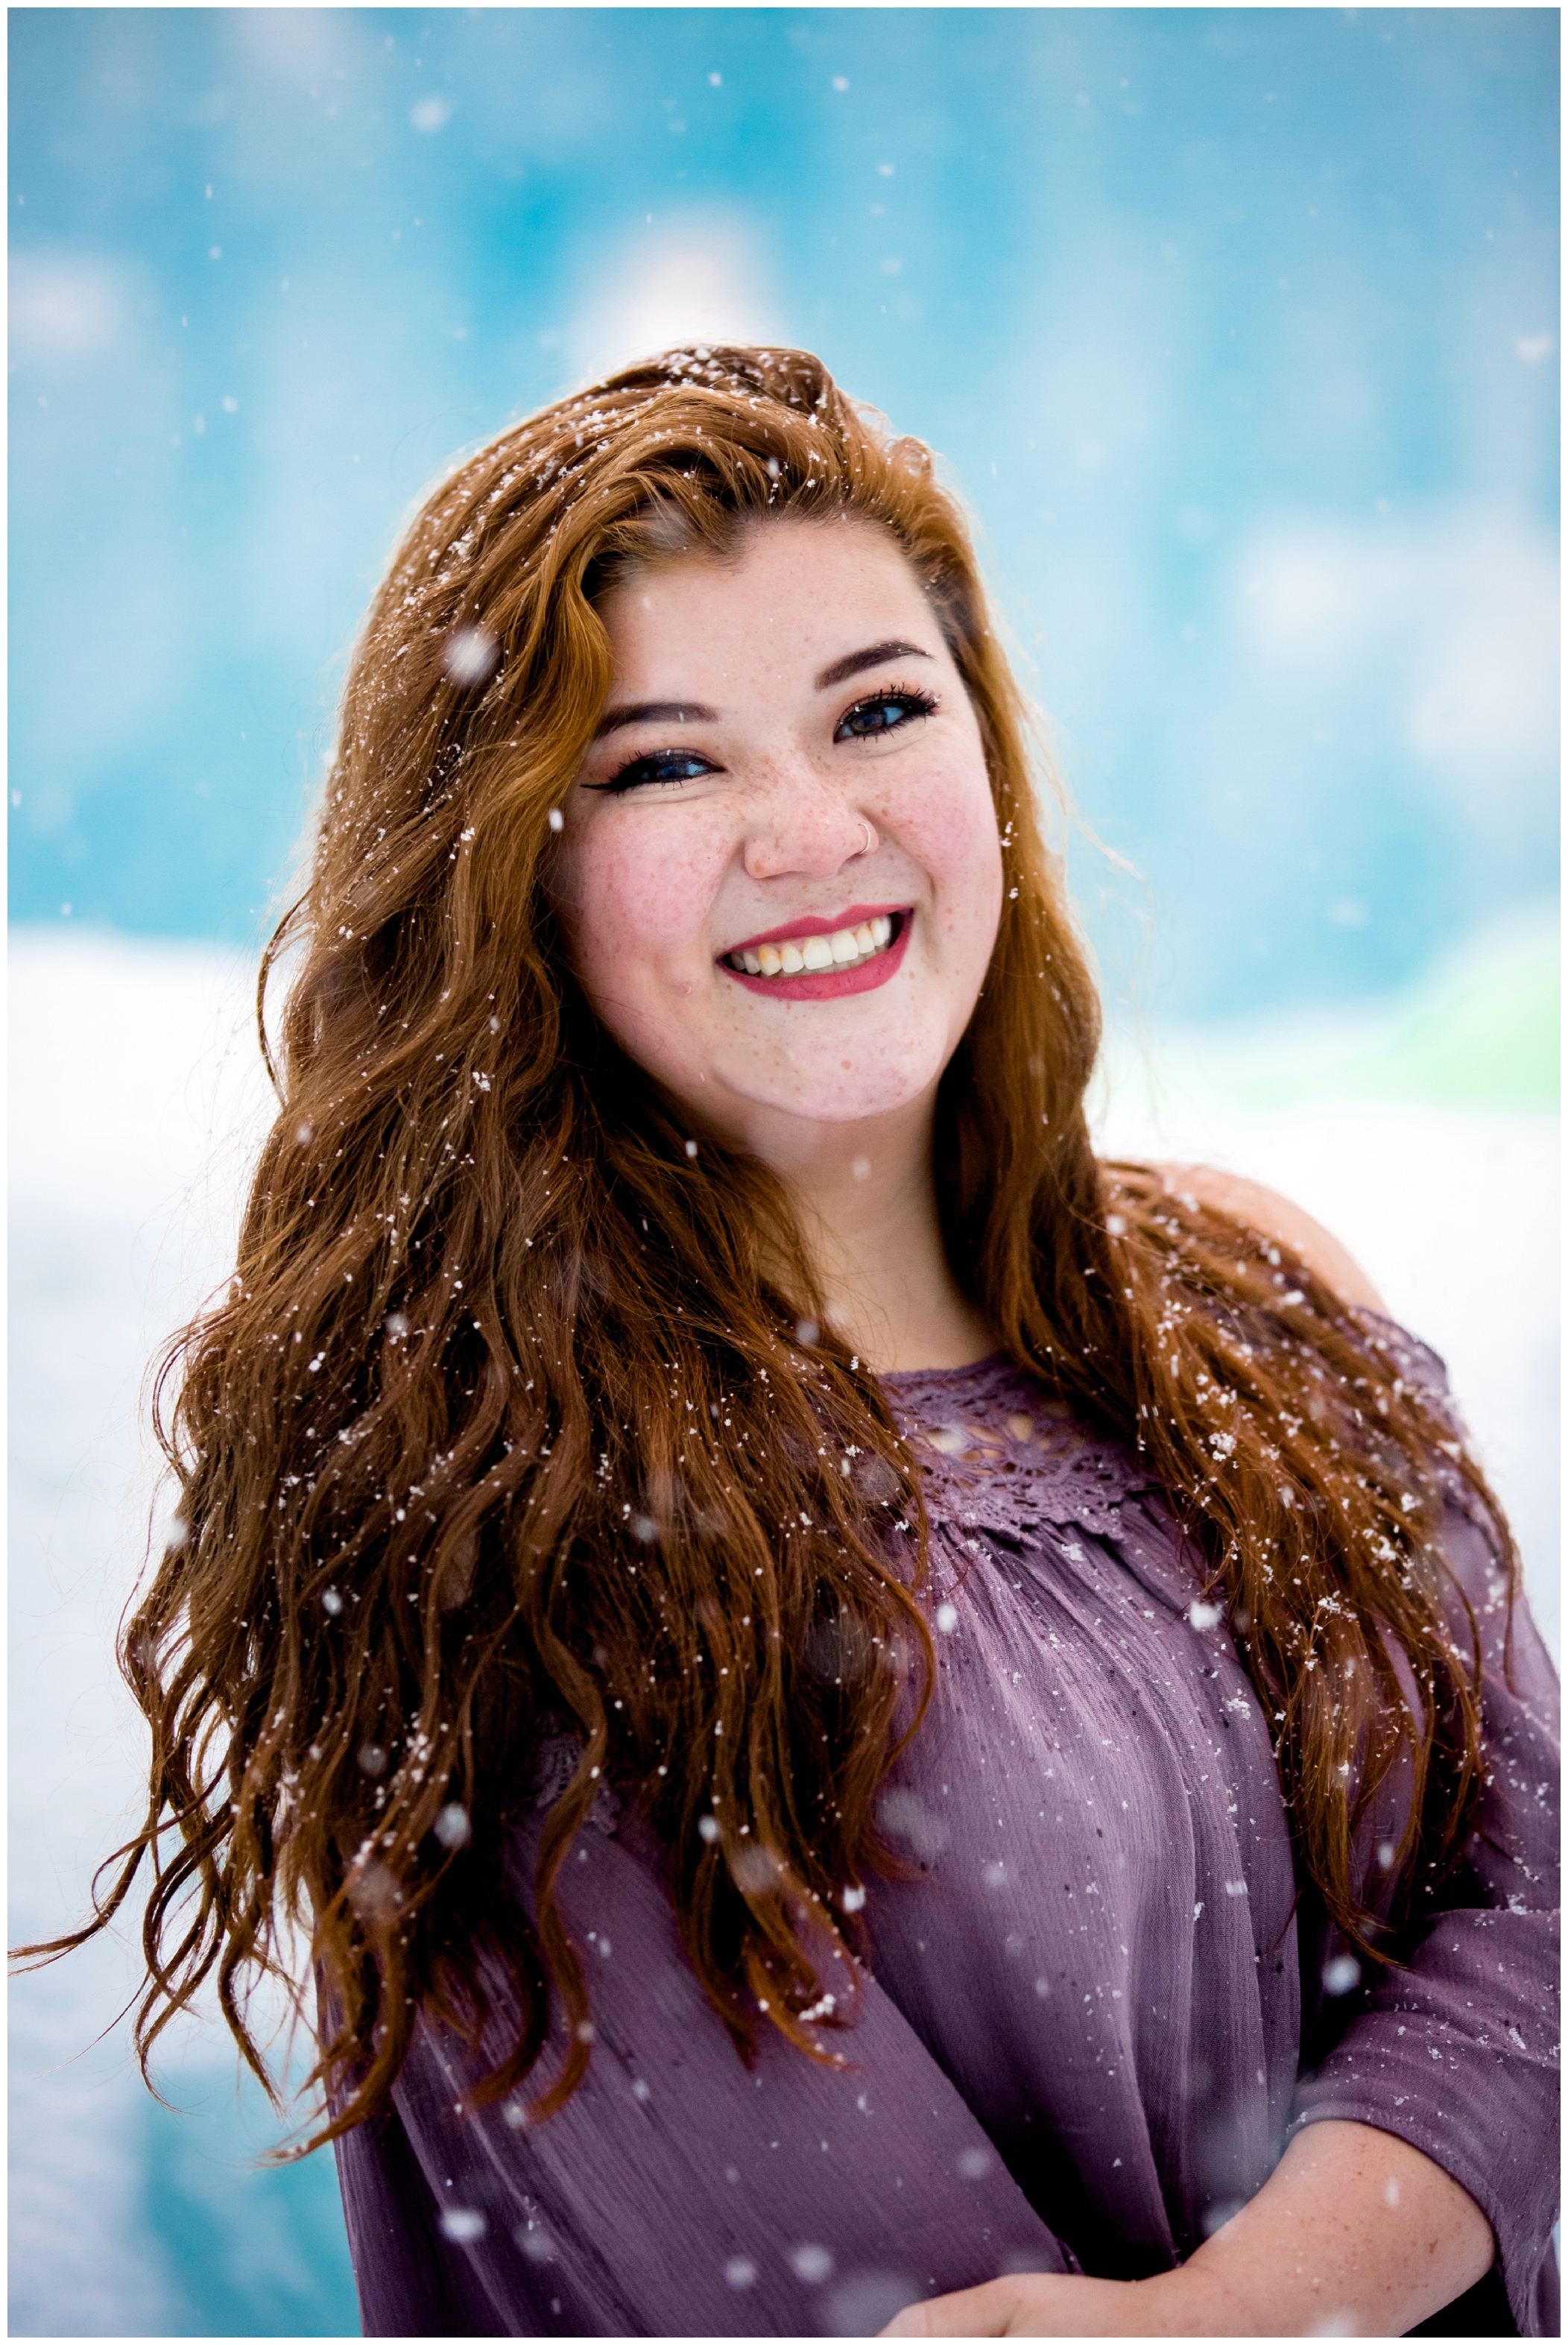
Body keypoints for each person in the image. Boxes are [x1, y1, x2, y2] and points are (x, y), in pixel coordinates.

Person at [20, 347, 1555, 2336]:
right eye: (669, 759)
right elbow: (886, 2310)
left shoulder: (1263, 1306)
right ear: (519, 869)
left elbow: (1539, 1928)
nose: (813, 827)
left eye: (880, 712)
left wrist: (1251, 2298)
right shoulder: (485, 1507)